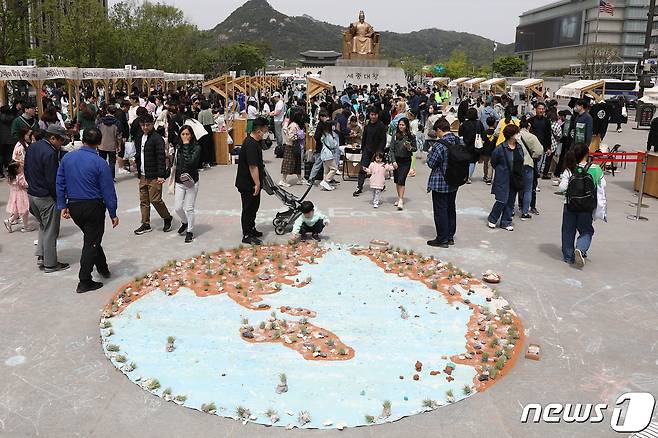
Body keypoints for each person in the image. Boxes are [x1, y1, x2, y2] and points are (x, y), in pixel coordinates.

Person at [56, 128, 119, 293]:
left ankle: (103, 268)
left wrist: (63, 205)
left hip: (75, 206)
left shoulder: (67, 158)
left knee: (92, 238)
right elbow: (108, 190)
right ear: (99, 143)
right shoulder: (99, 162)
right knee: (91, 242)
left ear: (82, 139)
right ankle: (84, 280)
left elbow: (60, 182)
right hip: (93, 207)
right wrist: (113, 213)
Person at [24, 125, 70, 273]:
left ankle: (42, 255)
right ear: (52, 138)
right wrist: (60, 200)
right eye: (61, 140)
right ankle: (50, 264)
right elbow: (52, 180)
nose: (62, 143)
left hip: (32, 194)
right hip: (45, 197)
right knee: (51, 230)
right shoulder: (50, 153)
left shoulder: (32, 147)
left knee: (44, 226)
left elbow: (26, 169)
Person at [559, 143, 607, 268]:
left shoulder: (569, 168)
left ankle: (568, 256)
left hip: (570, 205)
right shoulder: (595, 169)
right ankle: (580, 248)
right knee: (586, 230)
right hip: (586, 207)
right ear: (587, 154)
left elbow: (562, 187)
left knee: (568, 231)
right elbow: (602, 189)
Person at [133, 114, 173, 235]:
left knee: (155, 200)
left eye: (148, 125)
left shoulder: (157, 138)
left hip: (154, 175)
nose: (145, 127)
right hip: (143, 174)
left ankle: (167, 217)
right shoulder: (139, 137)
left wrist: (161, 175)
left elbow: (161, 158)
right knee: (143, 200)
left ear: (152, 124)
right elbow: (139, 154)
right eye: (143, 125)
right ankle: (145, 224)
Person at [426, 117, 459, 248]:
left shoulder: (439, 145)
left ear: (440, 130)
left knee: (440, 211)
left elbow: (431, 163)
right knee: (451, 208)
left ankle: (442, 238)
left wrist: (430, 154)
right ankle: (450, 236)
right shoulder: (458, 141)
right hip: (455, 180)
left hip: (440, 182)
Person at [235, 117, 268, 245]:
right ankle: (247, 234)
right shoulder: (250, 144)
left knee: (254, 206)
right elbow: (252, 166)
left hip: (251, 182)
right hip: (248, 183)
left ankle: (252, 228)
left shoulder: (254, 142)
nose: (265, 133)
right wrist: (257, 183)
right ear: (259, 131)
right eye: (264, 131)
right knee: (248, 208)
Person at [487, 124, 525, 231]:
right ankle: (493, 218)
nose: (518, 135)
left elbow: (522, 160)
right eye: (516, 133)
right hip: (502, 178)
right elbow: (494, 162)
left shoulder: (519, 147)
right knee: (501, 200)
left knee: (510, 201)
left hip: (515, 178)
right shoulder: (500, 148)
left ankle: (506, 221)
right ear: (511, 135)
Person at [173, 125, 201, 243]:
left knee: (189, 208)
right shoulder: (178, 147)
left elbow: (190, 162)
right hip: (180, 181)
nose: (185, 136)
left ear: (192, 135)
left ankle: (189, 230)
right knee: (178, 208)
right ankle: (184, 222)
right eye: (183, 134)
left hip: (191, 181)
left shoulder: (197, 147)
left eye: (187, 134)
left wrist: (186, 145)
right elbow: (175, 163)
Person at [354, 107, 387, 196]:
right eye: (372, 115)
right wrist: (362, 149)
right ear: (369, 115)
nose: (373, 117)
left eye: (375, 115)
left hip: (377, 152)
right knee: (362, 168)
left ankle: (381, 184)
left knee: (377, 170)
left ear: (377, 115)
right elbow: (364, 138)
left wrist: (380, 152)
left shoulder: (381, 126)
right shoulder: (367, 125)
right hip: (367, 150)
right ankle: (359, 187)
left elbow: (383, 140)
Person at [518, 118, 545, 219]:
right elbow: (539, 150)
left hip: (516, 165)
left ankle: (511, 210)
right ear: (528, 127)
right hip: (528, 164)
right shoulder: (532, 137)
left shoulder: (516, 136)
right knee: (528, 189)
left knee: (514, 189)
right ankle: (525, 212)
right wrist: (533, 156)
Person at [389, 117, 417, 210]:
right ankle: (399, 197)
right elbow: (391, 150)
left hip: (406, 161)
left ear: (406, 126)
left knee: (402, 180)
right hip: (397, 161)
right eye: (400, 125)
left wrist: (409, 148)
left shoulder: (411, 136)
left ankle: (401, 199)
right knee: (397, 181)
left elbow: (415, 148)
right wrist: (393, 161)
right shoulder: (395, 135)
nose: (401, 126)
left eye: (403, 125)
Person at [279, 110, 305, 187]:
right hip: (291, 146)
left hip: (294, 146)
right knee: (288, 163)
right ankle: (283, 180)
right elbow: (290, 136)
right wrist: (299, 136)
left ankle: (300, 179)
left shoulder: (295, 124)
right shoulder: (293, 125)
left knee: (297, 163)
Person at [4, 162, 33, 233]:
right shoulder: (20, 176)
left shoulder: (11, 177)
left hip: (14, 194)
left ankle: (9, 221)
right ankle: (25, 227)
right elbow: (24, 185)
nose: (22, 167)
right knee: (25, 210)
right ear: (16, 169)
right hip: (21, 194)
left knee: (17, 211)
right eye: (20, 167)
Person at [97, 107, 122, 180]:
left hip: (101, 144)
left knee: (101, 162)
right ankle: (112, 177)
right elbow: (119, 136)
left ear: (107, 111)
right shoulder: (117, 122)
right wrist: (119, 145)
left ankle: (101, 177)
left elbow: (97, 132)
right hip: (112, 145)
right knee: (112, 162)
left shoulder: (100, 121)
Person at [459, 107, 480, 184]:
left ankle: (464, 176)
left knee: (465, 161)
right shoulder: (478, 123)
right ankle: (469, 177)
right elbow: (483, 133)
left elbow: (460, 133)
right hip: (475, 145)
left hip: (465, 144)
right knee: (472, 161)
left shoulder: (464, 123)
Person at [319, 120, 339, 191]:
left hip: (324, 154)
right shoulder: (329, 136)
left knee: (326, 170)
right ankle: (325, 181)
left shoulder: (324, 134)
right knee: (334, 168)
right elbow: (333, 145)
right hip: (328, 154)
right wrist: (335, 142)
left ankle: (325, 185)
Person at [480, 116, 497, 184]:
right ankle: (489, 178)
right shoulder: (496, 133)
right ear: (494, 123)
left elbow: (483, 142)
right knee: (490, 165)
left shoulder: (485, 132)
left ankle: (485, 176)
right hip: (493, 150)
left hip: (485, 150)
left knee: (485, 164)